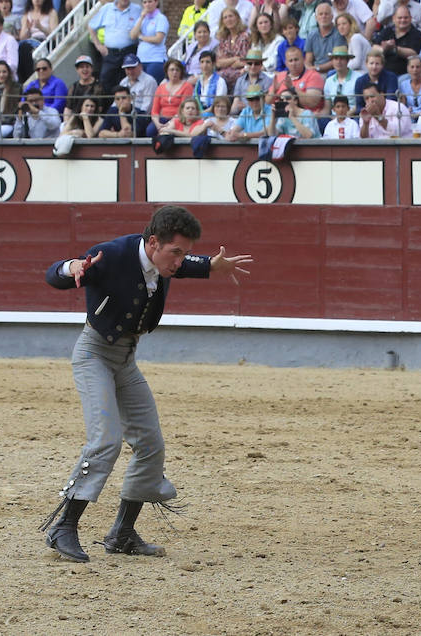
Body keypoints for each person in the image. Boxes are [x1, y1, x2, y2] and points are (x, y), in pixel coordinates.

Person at [41, 206, 252, 564]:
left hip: (125, 360)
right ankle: (64, 526)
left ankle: (122, 533)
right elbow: (54, 274)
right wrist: (71, 267)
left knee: (151, 445)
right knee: (105, 441)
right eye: (176, 252)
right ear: (153, 242)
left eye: (185, 252)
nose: (180, 261)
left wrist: (213, 266)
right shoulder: (112, 255)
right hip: (94, 354)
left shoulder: (164, 259)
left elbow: (186, 265)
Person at [88, 0, 141, 96]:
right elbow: (91, 26)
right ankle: (108, 108)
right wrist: (98, 45)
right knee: (105, 80)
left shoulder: (137, 9)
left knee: (128, 81)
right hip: (110, 53)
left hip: (129, 52)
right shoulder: (107, 8)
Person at [373, 4, 421, 77]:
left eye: (405, 18)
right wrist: (384, 48)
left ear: (410, 18)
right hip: (383, 73)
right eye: (400, 18)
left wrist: (395, 49)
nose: (403, 20)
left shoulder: (416, 34)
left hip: (405, 74)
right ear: (393, 19)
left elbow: (414, 53)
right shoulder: (387, 31)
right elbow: (374, 47)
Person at [270, 45, 325, 112]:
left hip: (305, 117)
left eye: (296, 60)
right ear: (286, 63)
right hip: (282, 116)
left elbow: (312, 103)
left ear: (303, 60)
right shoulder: (280, 76)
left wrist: (293, 88)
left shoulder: (314, 76)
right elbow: (267, 101)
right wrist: (273, 91)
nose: (294, 63)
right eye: (290, 61)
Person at [149, 58, 192, 137]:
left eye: (177, 70)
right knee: (150, 131)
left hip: (179, 118)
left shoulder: (187, 86)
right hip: (162, 119)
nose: (174, 72)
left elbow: (183, 109)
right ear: (167, 71)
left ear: (181, 72)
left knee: (167, 133)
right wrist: (158, 124)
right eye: (172, 70)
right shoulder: (161, 87)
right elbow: (155, 111)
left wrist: (169, 124)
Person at [17, 0, 58, 83]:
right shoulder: (27, 14)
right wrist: (28, 29)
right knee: (21, 49)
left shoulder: (51, 13)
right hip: (30, 42)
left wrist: (41, 28)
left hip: (45, 42)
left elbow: (54, 36)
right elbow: (22, 38)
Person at [129, 0, 169, 83]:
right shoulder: (142, 18)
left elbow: (158, 39)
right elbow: (132, 35)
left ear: (156, 2)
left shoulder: (161, 18)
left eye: (150, 1)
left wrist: (141, 36)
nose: (147, 4)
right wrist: (141, 18)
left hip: (156, 59)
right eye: (145, 2)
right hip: (141, 59)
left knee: (152, 86)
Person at [215, 7, 250, 91]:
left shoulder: (244, 37)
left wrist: (228, 62)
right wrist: (234, 59)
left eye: (231, 16)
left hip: (241, 72)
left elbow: (243, 61)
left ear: (237, 18)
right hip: (223, 74)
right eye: (225, 17)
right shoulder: (224, 39)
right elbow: (219, 63)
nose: (228, 19)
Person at [305, 2, 344, 75]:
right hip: (314, 72)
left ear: (332, 17)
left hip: (333, 72)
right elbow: (308, 60)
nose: (323, 16)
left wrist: (317, 68)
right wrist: (310, 69)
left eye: (326, 14)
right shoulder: (311, 35)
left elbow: (337, 60)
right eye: (321, 14)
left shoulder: (338, 34)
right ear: (316, 18)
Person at [63, 55, 104, 126]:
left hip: (92, 121)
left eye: (87, 67)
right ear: (77, 70)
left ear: (92, 69)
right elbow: (68, 108)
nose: (85, 69)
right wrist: (66, 122)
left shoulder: (98, 86)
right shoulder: (73, 86)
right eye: (81, 67)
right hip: (75, 120)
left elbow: (99, 108)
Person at [322, 44, 361, 116]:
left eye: (342, 59)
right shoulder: (329, 81)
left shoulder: (358, 78)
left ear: (347, 61)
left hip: (353, 116)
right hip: (334, 118)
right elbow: (327, 107)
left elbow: (360, 103)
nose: (338, 62)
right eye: (336, 58)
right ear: (332, 61)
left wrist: (346, 116)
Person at [230, 48, 272, 115]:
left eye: (256, 63)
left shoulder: (268, 81)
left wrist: (247, 107)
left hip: (260, 117)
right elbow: (235, 104)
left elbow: (267, 105)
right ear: (246, 64)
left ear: (261, 65)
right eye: (250, 63)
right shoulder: (240, 80)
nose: (253, 66)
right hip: (242, 116)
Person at [193, 50, 227, 115]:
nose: (204, 65)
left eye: (207, 62)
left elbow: (218, 105)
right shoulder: (198, 82)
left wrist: (201, 113)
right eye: (202, 62)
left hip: (212, 114)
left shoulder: (220, 82)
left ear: (213, 64)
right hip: (198, 112)